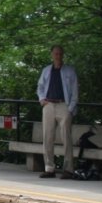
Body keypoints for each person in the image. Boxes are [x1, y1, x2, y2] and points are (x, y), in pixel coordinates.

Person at [36, 45, 78, 178]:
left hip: (63, 104)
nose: (58, 56)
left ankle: (68, 169)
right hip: (49, 105)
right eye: (55, 54)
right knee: (47, 137)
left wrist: (70, 108)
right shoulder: (46, 70)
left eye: (60, 54)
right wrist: (42, 99)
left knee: (66, 137)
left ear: (63, 55)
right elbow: (40, 87)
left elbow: (75, 91)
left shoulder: (70, 71)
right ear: (52, 55)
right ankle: (49, 168)